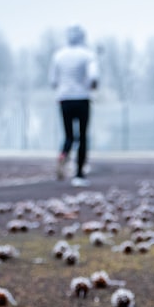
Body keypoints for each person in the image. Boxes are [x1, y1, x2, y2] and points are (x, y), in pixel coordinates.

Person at [49, 24, 99, 187]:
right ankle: (79, 174)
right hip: (82, 98)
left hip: (64, 99)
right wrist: (90, 86)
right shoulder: (87, 55)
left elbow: (53, 81)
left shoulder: (58, 56)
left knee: (69, 136)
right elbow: (94, 77)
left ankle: (63, 155)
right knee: (82, 136)